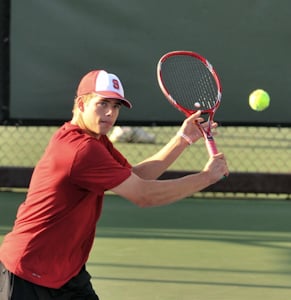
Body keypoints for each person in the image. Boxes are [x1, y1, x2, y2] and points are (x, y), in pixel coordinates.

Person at [0, 69, 229, 299]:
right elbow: (144, 195)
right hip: (28, 274)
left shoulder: (96, 141)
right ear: (81, 104)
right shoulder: (81, 149)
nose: (110, 113)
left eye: (116, 106)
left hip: (67, 273)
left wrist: (183, 139)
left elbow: (137, 177)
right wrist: (206, 177)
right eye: (103, 103)